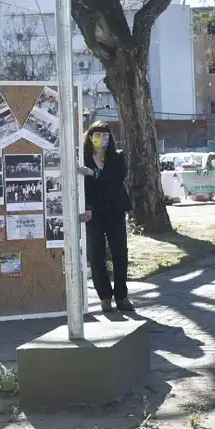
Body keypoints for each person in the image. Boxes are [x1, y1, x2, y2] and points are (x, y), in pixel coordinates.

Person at [80, 121, 133, 314]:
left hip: (114, 211)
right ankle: (104, 296)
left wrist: (94, 173)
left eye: (105, 135)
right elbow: (85, 189)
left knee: (120, 253)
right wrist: (87, 209)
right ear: (90, 137)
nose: (101, 139)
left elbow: (114, 180)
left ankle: (121, 295)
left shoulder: (117, 158)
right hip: (93, 214)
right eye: (97, 135)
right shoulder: (84, 159)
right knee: (96, 255)